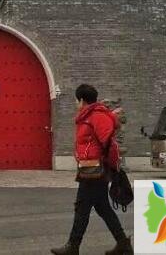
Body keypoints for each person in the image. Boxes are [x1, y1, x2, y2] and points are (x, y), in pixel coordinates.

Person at [51, 84, 133, 255]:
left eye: (76, 100)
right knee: (102, 208)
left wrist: (109, 165)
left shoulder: (96, 116)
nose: (76, 103)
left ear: (82, 100)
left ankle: (73, 246)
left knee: (82, 207)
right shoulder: (88, 116)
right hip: (89, 168)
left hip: (95, 171)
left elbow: (108, 142)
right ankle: (123, 244)